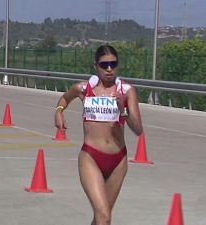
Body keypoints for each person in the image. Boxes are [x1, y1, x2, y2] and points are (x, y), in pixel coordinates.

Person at [54, 45, 143, 225]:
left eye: (113, 64)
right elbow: (64, 98)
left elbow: (138, 129)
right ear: (96, 66)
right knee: (104, 216)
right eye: (104, 65)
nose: (109, 69)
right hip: (91, 157)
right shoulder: (83, 88)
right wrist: (58, 111)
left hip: (118, 160)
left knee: (101, 218)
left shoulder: (126, 91)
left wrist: (123, 110)